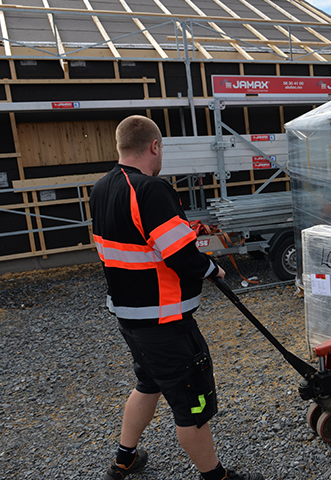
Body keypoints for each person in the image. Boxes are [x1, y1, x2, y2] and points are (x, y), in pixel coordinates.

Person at [90, 115, 264, 480]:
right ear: (154, 146)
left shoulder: (102, 188)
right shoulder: (151, 190)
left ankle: (125, 459)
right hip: (164, 322)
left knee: (148, 382)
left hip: (130, 319)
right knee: (192, 403)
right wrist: (211, 269)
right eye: (162, 148)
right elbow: (180, 254)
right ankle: (216, 476)